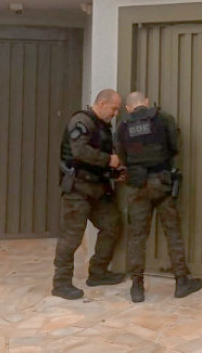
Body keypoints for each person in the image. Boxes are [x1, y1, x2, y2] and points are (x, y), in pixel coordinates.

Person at [116, 91, 202, 303]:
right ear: (146, 102)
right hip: (162, 183)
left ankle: (137, 287)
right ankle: (181, 282)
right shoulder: (163, 118)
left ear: (128, 108)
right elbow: (176, 146)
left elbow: (121, 156)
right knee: (172, 232)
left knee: (137, 236)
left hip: (136, 186)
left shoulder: (123, 126)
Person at [51, 89, 126, 300]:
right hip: (78, 190)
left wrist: (115, 172)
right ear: (102, 103)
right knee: (71, 237)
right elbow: (80, 152)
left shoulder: (103, 127)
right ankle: (61, 283)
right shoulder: (81, 121)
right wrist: (108, 160)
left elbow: (98, 158)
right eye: (114, 108)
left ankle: (98, 272)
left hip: (97, 189)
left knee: (112, 225)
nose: (115, 113)